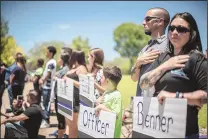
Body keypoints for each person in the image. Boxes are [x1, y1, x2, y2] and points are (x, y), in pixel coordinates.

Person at [139, 12, 207, 138]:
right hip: (157, 128)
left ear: (192, 34)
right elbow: (143, 84)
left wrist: (173, 96)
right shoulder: (164, 57)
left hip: (184, 133)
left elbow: (205, 96)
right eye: (172, 28)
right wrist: (166, 65)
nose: (174, 32)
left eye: (181, 29)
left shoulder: (197, 59)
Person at [131, 7, 170, 96]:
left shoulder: (170, 45)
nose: (143, 23)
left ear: (160, 22)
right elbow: (134, 78)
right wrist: (138, 63)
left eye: (147, 19)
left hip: (158, 104)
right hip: (140, 104)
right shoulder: (145, 48)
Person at [49, 47, 72, 138]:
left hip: (60, 99)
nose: (57, 60)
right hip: (61, 98)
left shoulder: (64, 70)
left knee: (62, 121)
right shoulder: (65, 69)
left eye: (59, 58)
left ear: (62, 60)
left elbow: (57, 86)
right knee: (63, 121)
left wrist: (52, 101)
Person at [65, 50, 88, 138]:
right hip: (68, 98)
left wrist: (69, 80)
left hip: (75, 100)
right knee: (70, 124)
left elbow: (84, 86)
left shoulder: (82, 68)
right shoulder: (75, 67)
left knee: (73, 125)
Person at [95, 66, 122, 138]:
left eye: (102, 77)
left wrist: (102, 107)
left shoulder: (117, 95)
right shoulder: (106, 92)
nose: (100, 79)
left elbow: (116, 116)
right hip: (102, 132)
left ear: (107, 81)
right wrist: (98, 103)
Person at [39, 46, 57, 128]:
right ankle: (45, 120)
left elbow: (49, 73)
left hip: (48, 87)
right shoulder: (50, 62)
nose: (46, 53)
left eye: (47, 52)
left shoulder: (52, 62)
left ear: (51, 53)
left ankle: (46, 121)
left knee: (46, 104)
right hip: (46, 87)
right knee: (45, 104)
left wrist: (42, 80)